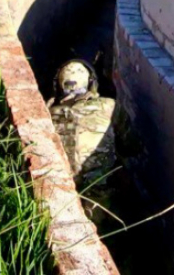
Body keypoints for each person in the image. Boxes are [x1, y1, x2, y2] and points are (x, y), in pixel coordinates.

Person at [47, 60, 120, 227]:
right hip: (99, 194)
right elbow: (130, 145)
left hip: (62, 194)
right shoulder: (109, 106)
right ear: (91, 83)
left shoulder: (48, 115)